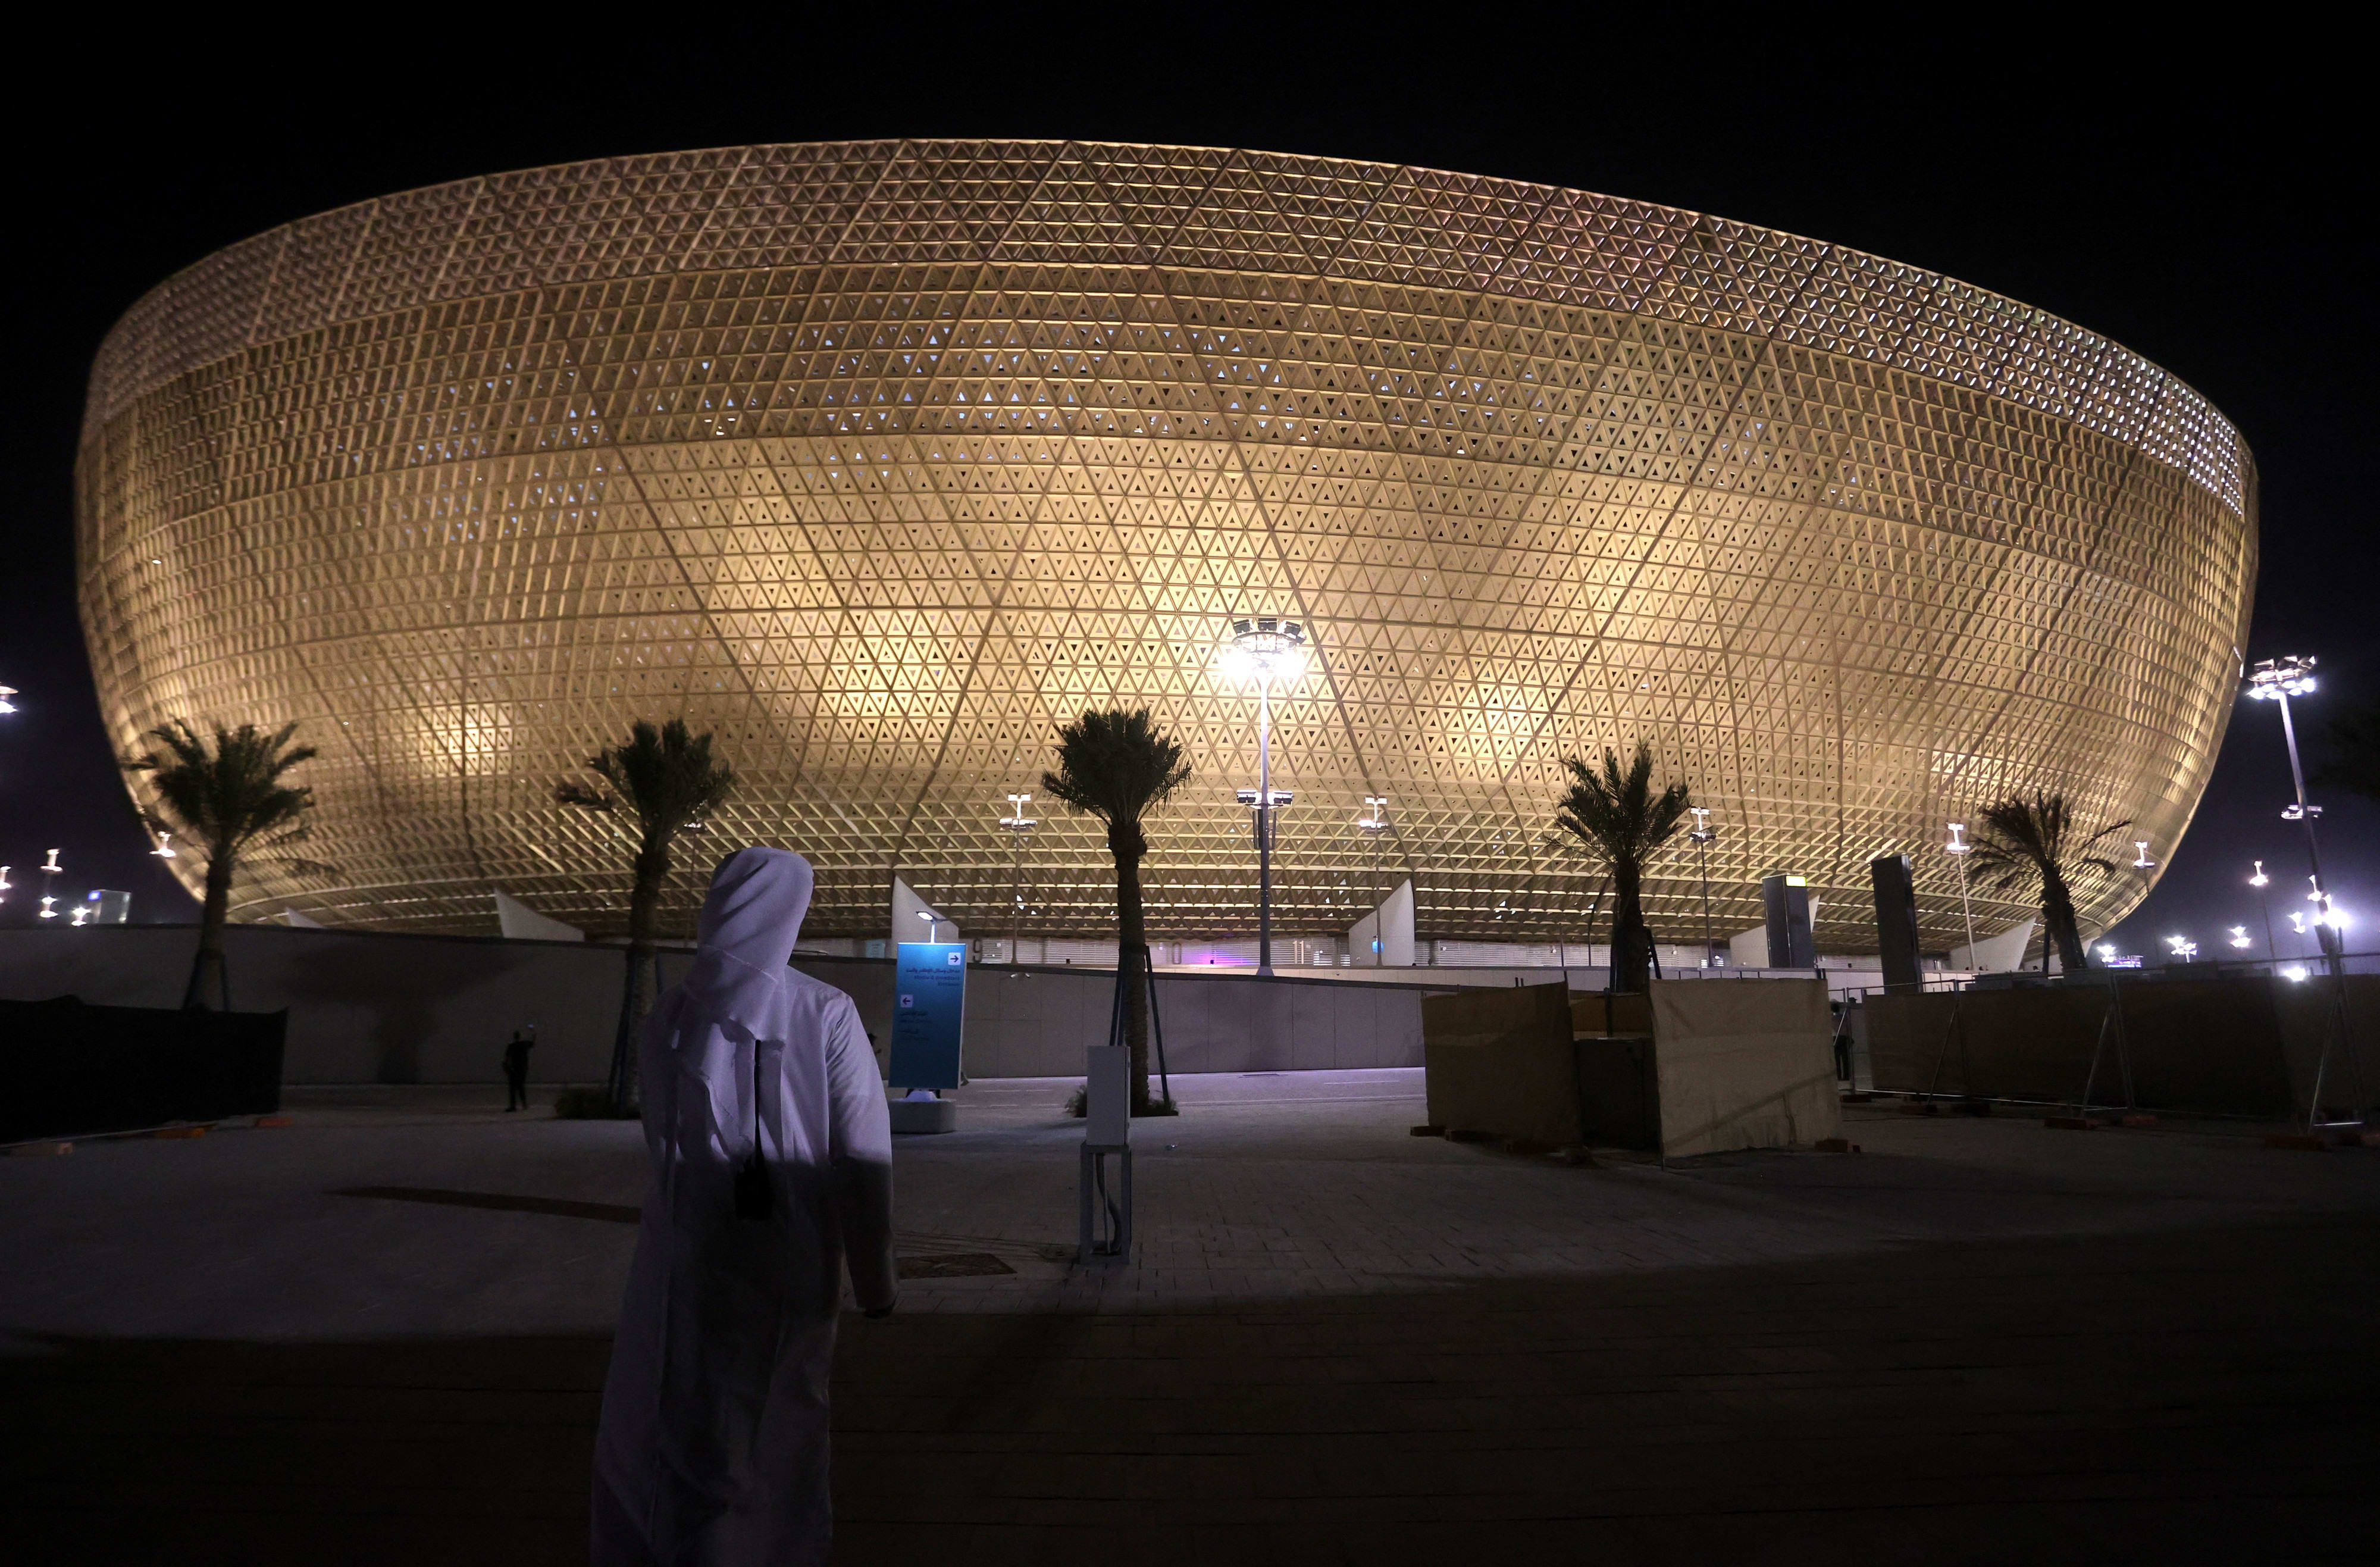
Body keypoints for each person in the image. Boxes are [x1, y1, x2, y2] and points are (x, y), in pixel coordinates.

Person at [593, 847, 896, 1566]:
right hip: (784, 1270)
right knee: (774, 1437)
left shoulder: (670, 1012)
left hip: (678, 1267)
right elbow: (862, 1158)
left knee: (671, 1430)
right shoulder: (826, 1010)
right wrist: (877, 1284)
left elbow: (659, 1142)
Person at [502, 1027, 534, 1111]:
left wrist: (506, 1069)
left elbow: (506, 1058)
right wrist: (533, 1032)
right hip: (522, 1069)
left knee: (513, 1088)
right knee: (521, 1087)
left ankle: (513, 1106)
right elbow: (532, 1043)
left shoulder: (512, 1046)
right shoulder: (524, 1045)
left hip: (514, 1069)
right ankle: (524, 1104)